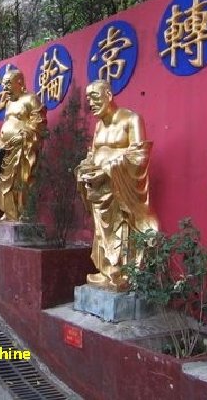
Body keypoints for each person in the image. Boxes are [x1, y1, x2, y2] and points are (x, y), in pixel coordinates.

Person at [74, 80, 158, 291]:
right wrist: (85, 168)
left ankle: (122, 272)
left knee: (122, 230)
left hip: (121, 190)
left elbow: (139, 155)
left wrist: (107, 171)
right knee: (102, 232)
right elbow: (93, 155)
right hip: (99, 191)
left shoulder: (131, 119)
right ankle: (106, 271)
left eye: (94, 98)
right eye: (88, 100)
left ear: (109, 96)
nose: (91, 104)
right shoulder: (99, 125)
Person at [0, 69, 46, 222]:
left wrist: (23, 135)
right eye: (3, 85)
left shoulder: (31, 99)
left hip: (22, 149)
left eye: (8, 84)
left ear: (20, 82)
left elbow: (39, 122)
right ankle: (9, 214)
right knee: (4, 181)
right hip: (6, 149)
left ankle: (22, 214)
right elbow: (8, 123)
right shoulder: (9, 102)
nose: (5, 88)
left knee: (20, 180)